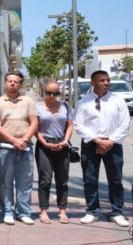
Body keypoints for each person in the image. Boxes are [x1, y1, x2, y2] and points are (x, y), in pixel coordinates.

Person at [73, 70, 130, 227]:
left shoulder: (118, 101)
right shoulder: (83, 103)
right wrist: (98, 141)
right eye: (102, 80)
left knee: (116, 179)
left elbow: (124, 124)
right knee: (90, 179)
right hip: (91, 145)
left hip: (113, 144)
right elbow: (79, 125)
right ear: (93, 83)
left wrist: (109, 142)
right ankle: (92, 211)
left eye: (107, 80)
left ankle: (117, 212)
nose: (106, 83)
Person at [0, 70, 38, 226]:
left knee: (25, 182)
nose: (13, 84)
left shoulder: (28, 101)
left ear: (20, 85)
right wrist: (14, 140)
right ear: (5, 83)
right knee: (5, 182)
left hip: (25, 147)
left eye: (16, 82)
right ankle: (7, 211)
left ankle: (23, 213)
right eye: (10, 81)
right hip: (6, 146)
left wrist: (24, 140)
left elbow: (34, 123)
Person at [35, 81, 73, 224]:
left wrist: (65, 141)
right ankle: (43, 211)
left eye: (55, 93)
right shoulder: (37, 107)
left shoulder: (65, 107)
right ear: (44, 92)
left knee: (62, 180)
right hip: (44, 145)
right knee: (45, 180)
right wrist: (44, 142)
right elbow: (35, 127)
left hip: (62, 145)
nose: (52, 96)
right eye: (49, 93)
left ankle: (62, 211)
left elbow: (70, 126)